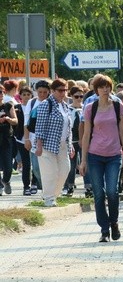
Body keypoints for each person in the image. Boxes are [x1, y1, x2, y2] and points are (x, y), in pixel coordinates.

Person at [79, 74, 123, 242]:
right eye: (101, 87)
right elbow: (86, 135)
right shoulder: (90, 108)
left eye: (108, 86)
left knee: (112, 191)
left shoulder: (118, 106)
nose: (105, 89)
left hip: (114, 155)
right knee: (99, 193)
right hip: (94, 155)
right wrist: (84, 160)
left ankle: (114, 222)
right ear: (96, 90)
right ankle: (104, 229)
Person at [34, 79, 73, 207]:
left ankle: (53, 195)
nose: (63, 93)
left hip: (62, 145)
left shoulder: (65, 106)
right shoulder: (46, 104)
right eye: (60, 90)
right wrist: (39, 145)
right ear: (53, 91)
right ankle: (49, 198)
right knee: (50, 172)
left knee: (65, 170)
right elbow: (40, 126)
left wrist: (70, 145)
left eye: (65, 90)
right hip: (47, 144)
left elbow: (68, 128)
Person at [24, 80, 51, 195]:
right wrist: (26, 139)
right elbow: (26, 123)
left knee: (49, 166)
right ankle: (43, 185)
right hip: (34, 139)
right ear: (36, 91)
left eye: (45, 92)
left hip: (49, 140)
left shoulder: (51, 103)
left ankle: (48, 190)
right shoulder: (31, 103)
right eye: (40, 92)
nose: (42, 95)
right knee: (35, 168)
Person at [62, 86, 84, 196]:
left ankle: (88, 187)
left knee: (85, 163)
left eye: (81, 96)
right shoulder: (67, 109)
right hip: (72, 140)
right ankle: (69, 186)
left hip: (84, 141)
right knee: (71, 164)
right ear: (72, 96)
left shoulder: (86, 109)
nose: (79, 98)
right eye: (76, 96)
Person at [13, 86, 33, 195]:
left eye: (28, 95)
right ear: (20, 96)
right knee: (26, 163)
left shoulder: (35, 107)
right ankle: (26, 186)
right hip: (21, 139)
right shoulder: (17, 108)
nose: (26, 97)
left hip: (34, 138)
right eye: (24, 94)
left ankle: (35, 183)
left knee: (36, 163)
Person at [0, 84, 18, 196]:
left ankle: (6, 181)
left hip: (7, 139)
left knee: (8, 167)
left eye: (1, 92)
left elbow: (15, 120)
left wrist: (8, 119)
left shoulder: (8, 105)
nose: (1, 94)